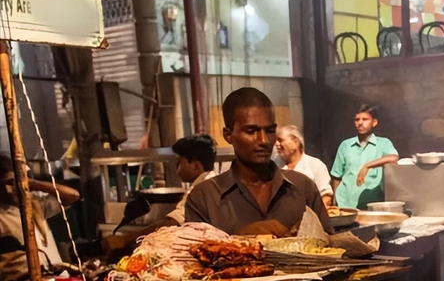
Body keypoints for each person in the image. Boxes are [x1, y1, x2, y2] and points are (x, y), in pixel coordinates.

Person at [185, 87, 332, 235]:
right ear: (228, 135)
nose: (264, 140)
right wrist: (241, 238)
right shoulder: (205, 197)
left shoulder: (303, 188)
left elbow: (332, 250)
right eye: (251, 131)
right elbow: (190, 254)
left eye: (269, 131)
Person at [102, 134, 217, 255]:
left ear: (196, 166)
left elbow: (171, 223)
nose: (176, 167)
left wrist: (124, 239)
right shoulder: (213, 182)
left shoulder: (200, 190)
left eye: (180, 162)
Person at [0, 154, 80, 281]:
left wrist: (33, 184)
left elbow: (72, 196)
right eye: (1, 186)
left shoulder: (35, 204)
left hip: (52, 279)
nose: (7, 190)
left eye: (10, 182)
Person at [330, 104, 399, 210]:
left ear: (374, 122)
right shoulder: (346, 145)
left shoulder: (383, 143)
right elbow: (337, 176)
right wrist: (335, 201)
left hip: (372, 204)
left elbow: (394, 158)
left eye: (365, 119)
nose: (360, 123)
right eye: (357, 120)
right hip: (345, 203)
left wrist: (367, 166)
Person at [275, 125, 333, 208]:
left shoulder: (315, 165)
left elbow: (326, 196)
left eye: (280, 140)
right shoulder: (273, 165)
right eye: (276, 140)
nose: (277, 144)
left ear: (295, 142)